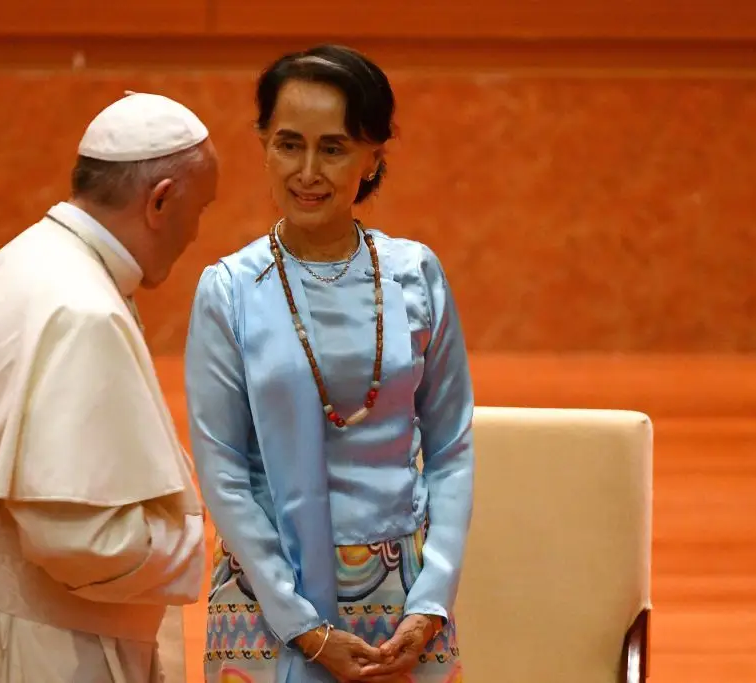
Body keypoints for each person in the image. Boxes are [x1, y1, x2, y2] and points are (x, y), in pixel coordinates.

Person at [0, 92, 218, 683]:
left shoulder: (30, 256)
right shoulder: (82, 308)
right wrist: (190, 534)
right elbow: (82, 541)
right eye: (199, 209)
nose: (194, 233)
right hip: (14, 649)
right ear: (160, 201)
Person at [185, 45, 475, 683]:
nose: (308, 171)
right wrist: (304, 627)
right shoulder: (230, 289)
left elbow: (451, 447)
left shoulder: (417, 276)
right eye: (289, 144)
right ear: (263, 143)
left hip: (405, 606)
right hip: (268, 600)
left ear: (375, 155)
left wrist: (431, 601)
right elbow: (223, 470)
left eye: (334, 148)